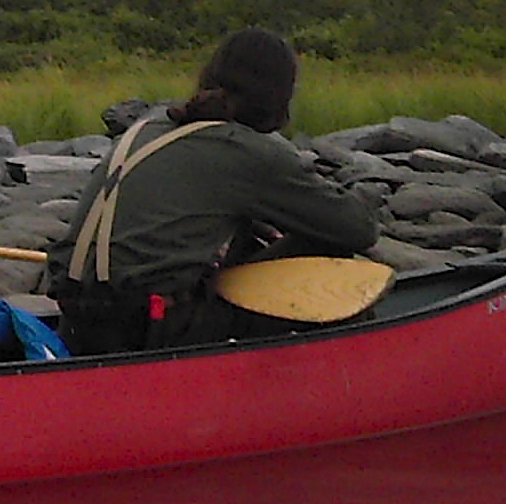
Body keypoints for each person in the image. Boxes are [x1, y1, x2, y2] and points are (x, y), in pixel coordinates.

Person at [48, 28, 378, 357]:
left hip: (78, 324)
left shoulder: (148, 129)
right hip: (151, 328)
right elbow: (356, 229)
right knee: (330, 256)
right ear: (277, 97)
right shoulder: (246, 151)